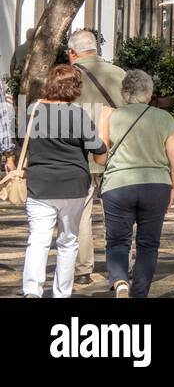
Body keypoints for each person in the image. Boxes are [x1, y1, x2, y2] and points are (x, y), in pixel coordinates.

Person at [21, 64, 106, 298]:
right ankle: (61, 293)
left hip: (39, 184)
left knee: (38, 240)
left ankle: (31, 291)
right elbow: (98, 150)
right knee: (68, 241)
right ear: (75, 88)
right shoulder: (77, 114)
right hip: (73, 185)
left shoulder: (31, 110)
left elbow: (23, 145)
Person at [99, 70, 174, 298]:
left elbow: (101, 157)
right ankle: (139, 293)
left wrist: (102, 122)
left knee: (117, 241)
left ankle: (119, 282)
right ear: (149, 92)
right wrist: (173, 188)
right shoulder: (163, 118)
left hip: (118, 186)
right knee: (148, 244)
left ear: (124, 93)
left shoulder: (112, 117)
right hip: (156, 186)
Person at [68, 27, 125, 287]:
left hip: (79, 155)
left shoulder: (68, 77)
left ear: (72, 53)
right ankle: (122, 268)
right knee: (119, 213)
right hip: (117, 153)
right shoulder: (119, 74)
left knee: (81, 214)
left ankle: (82, 269)